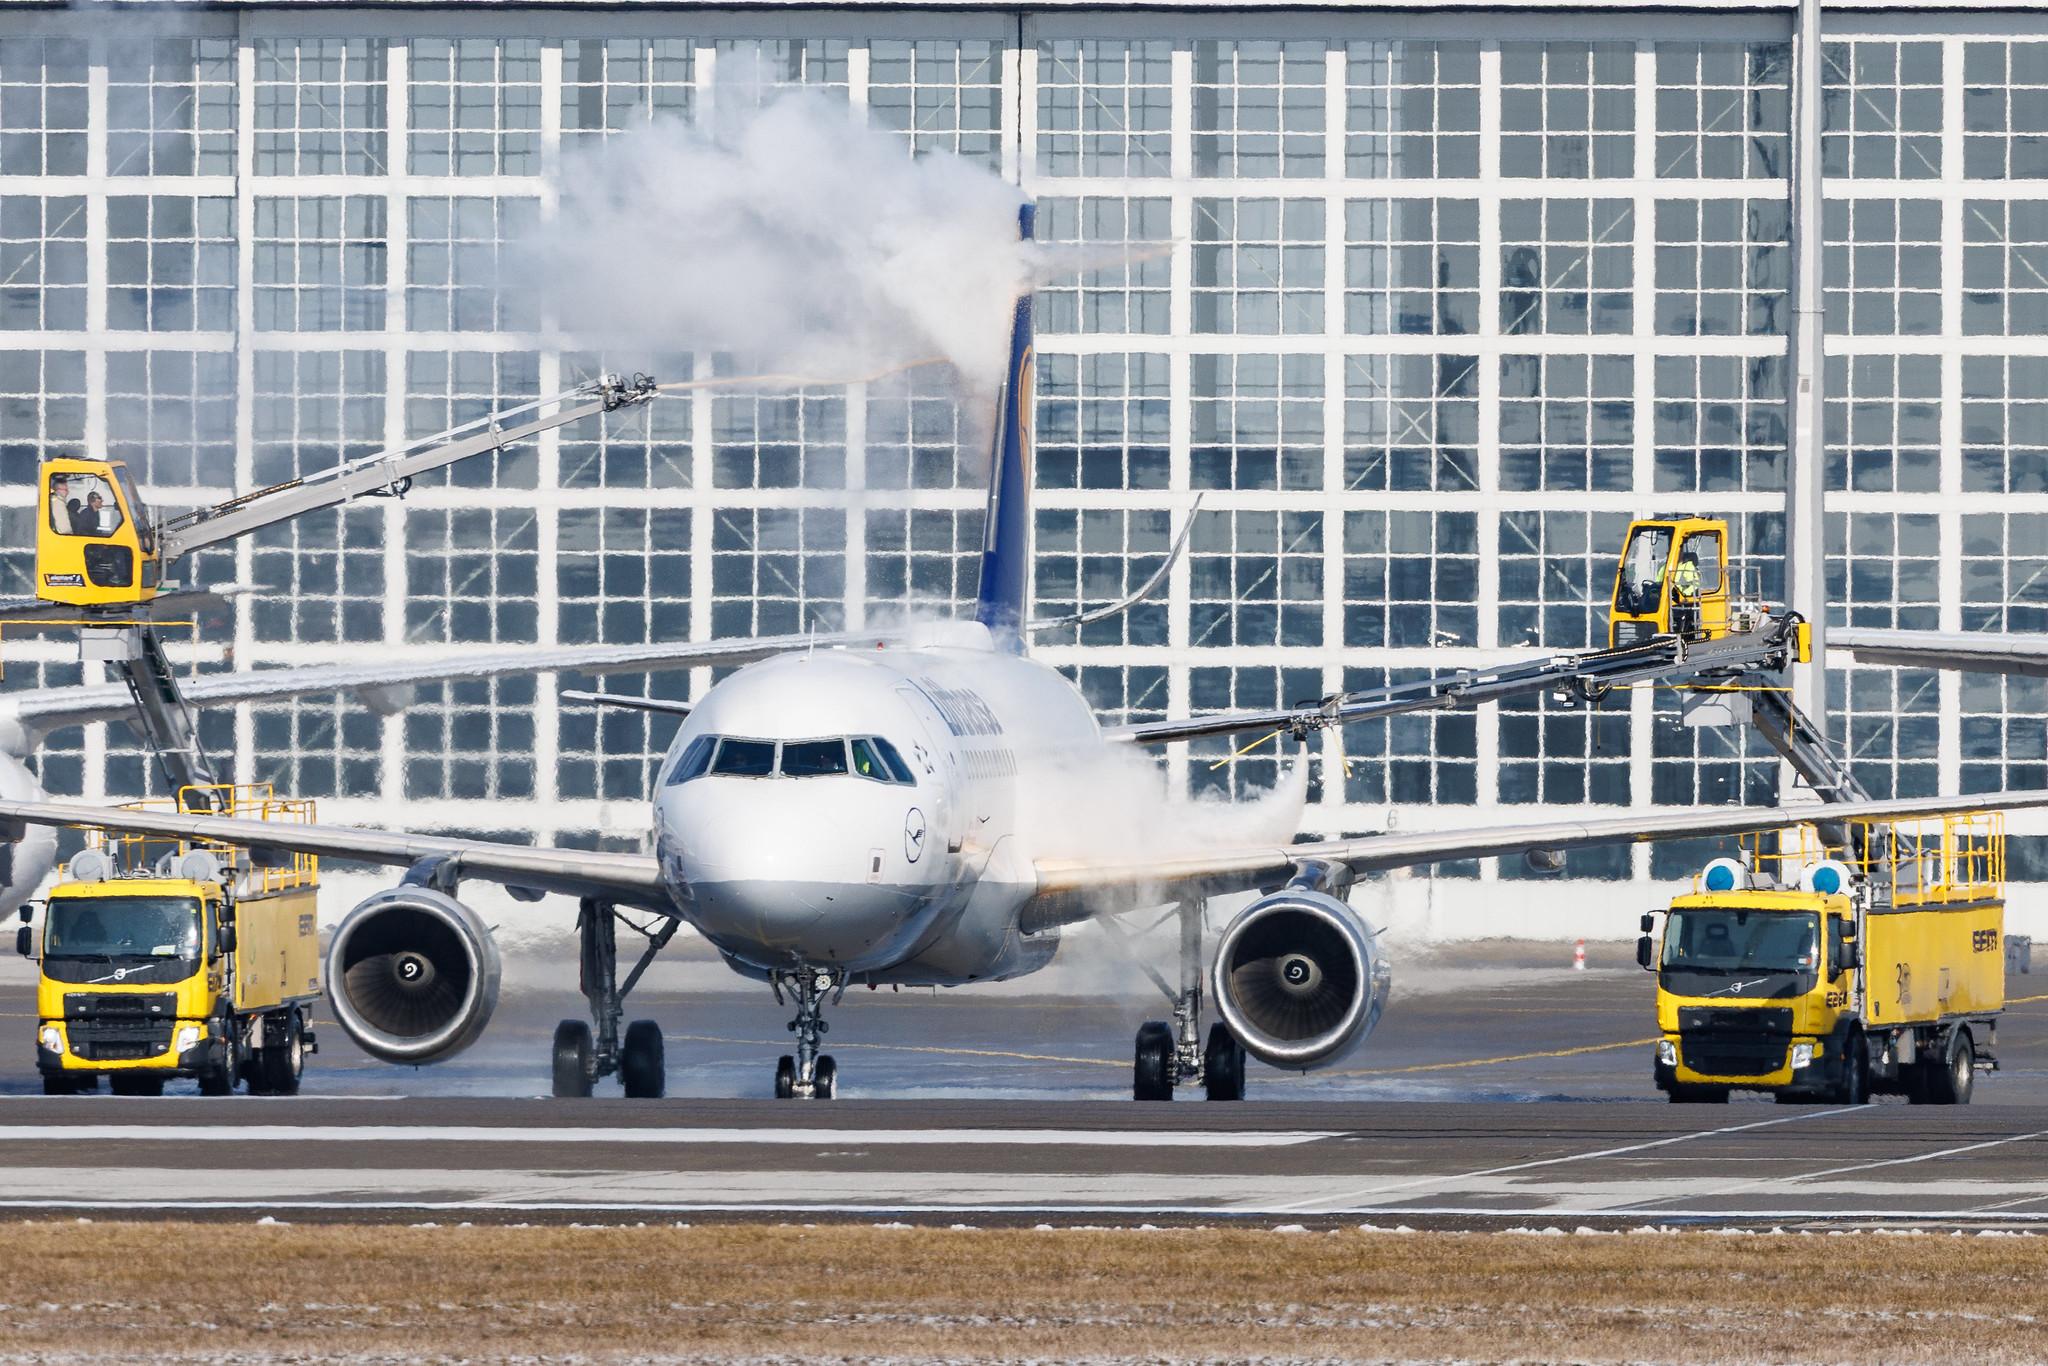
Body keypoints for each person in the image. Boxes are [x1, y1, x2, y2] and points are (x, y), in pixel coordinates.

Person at [1670, 553, 1701, 639]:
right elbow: (1695, 584)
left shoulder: (1679, 566)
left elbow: (1693, 584)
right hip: (1683, 597)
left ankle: (1683, 636)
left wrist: (1684, 594)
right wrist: (1685, 594)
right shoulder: (1688, 566)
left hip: (1680, 597)